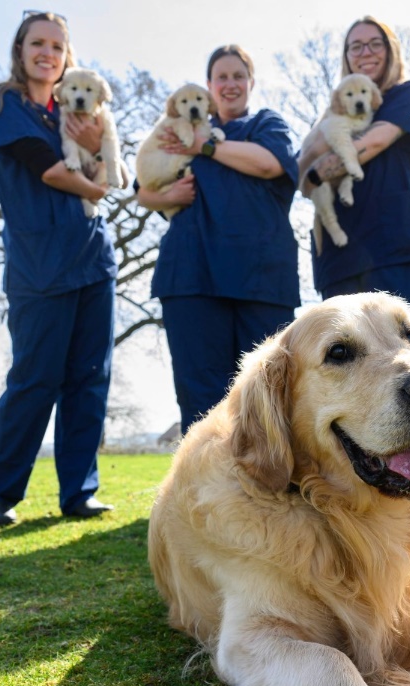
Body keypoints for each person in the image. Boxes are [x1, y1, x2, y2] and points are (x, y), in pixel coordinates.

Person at [0, 11, 118, 525]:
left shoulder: (76, 110)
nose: (48, 53)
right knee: (34, 379)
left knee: (90, 378)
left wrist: (99, 157)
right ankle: (0, 494)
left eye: (57, 46)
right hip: (39, 265)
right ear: (21, 49)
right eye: (38, 43)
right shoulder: (5, 103)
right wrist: (97, 183)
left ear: (67, 56)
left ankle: (79, 493)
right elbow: (53, 170)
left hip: (93, 260)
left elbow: (103, 162)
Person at [137, 45, 300, 436]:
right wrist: (164, 197)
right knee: (201, 397)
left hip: (261, 280)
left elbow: (270, 163)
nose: (230, 84)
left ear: (250, 82)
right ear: (209, 87)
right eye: (221, 77)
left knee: (272, 393)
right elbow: (143, 188)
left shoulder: (265, 124)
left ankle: (278, 490)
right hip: (191, 277)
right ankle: (206, 493)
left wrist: (204, 146)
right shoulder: (176, 129)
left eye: (237, 76)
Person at [298, 16, 410, 325]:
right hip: (337, 256)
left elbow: (374, 142)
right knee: (342, 365)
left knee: (407, 357)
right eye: (356, 46)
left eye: (376, 44)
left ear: (390, 50)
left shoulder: (404, 96)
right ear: (346, 55)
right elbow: (301, 174)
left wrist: (318, 172)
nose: (366, 52)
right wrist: (311, 173)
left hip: (391, 246)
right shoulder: (332, 112)